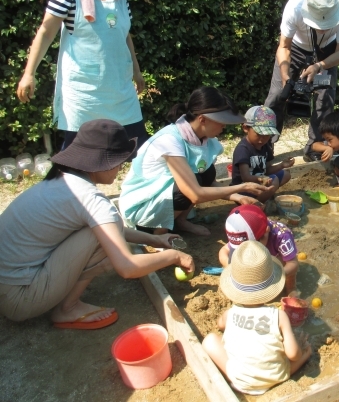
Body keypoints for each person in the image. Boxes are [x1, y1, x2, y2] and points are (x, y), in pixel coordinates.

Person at [0, 120, 194, 327]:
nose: (121, 167)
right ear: (102, 162)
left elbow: (113, 227)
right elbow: (127, 267)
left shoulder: (62, 181)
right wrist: (174, 255)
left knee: (102, 230)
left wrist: (156, 240)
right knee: (102, 239)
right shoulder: (91, 199)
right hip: (19, 298)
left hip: (9, 285)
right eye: (120, 161)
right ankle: (68, 309)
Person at [16, 0, 149, 149]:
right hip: (83, 90)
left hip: (119, 87)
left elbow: (124, 35)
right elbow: (46, 32)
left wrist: (136, 70)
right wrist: (28, 73)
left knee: (137, 148)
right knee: (77, 155)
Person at [119, 87, 270, 236]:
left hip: (165, 197)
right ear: (202, 119)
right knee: (186, 187)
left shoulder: (206, 139)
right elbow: (195, 194)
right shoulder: (170, 141)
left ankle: (180, 221)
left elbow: (209, 183)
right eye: (222, 121)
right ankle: (159, 233)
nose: (225, 126)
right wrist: (243, 186)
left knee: (205, 173)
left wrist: (239, 196)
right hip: (143, 205)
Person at [202, 241, 312, 395]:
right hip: (275, 378)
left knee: (209, 340)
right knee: (295, 358)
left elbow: (220, 325)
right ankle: (307, 356)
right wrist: (301, 351)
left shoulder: (229, 314)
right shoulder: (279, 316)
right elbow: (293, 354)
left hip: (239, 380)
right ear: (272, 285)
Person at [264, 0, 339, 160]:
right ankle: (265, 145)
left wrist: (319, 66)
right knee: (276, 95)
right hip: (295, 48)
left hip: (328, 52)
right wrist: (285, 76)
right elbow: (284, 46)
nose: (321, 28)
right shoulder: (295, 6)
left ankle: (316, 147)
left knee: (325, 98)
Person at [218, 205, 299, 295]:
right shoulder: (239, 234)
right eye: (243, 249)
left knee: (289, 273)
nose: (248, 251)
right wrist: (232, 267)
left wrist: (277, 274)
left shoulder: (282, 236)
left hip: (275, 260)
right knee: (236, 260)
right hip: (253, 263)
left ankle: (291, 289)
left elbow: (293, 263)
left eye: (251, 248)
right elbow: (223, 250)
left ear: (266, 231)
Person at [230, 106, 295, 203]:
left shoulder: (265, 146)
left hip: (261, 181)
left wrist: (281, 165)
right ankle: (255, 203)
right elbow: (245, 177)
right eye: (259, 134)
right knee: (274, 180)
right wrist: (263, 179)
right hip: (243, 189)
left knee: (285, 174)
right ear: (245, 128)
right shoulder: (243, 149)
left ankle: (265, 195)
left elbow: (267, 170)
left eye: (266, 135)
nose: (262, 139)